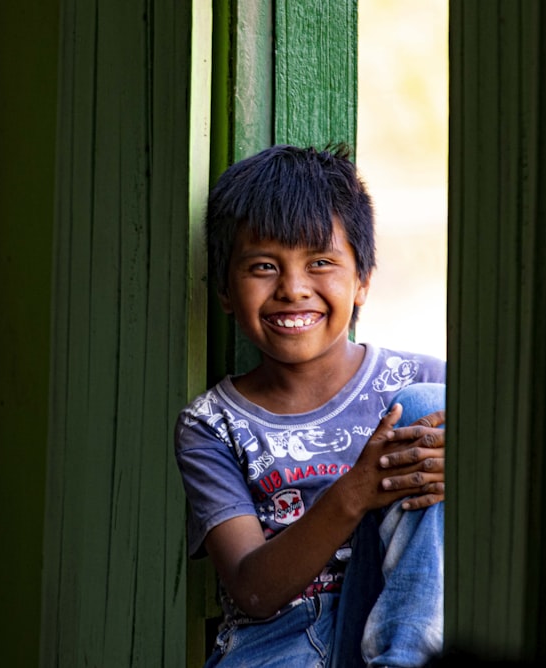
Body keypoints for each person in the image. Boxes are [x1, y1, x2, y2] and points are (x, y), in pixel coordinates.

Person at [174, 144, 447, 668]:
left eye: (320, 263)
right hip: (278, 644)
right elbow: (253, 589)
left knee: (426, 407)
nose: (293, 289)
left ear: (363, 280)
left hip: (389, 623)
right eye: (262, 267)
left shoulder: (421, 380)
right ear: (225, 291)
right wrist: (355, 491)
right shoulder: (213, 425)